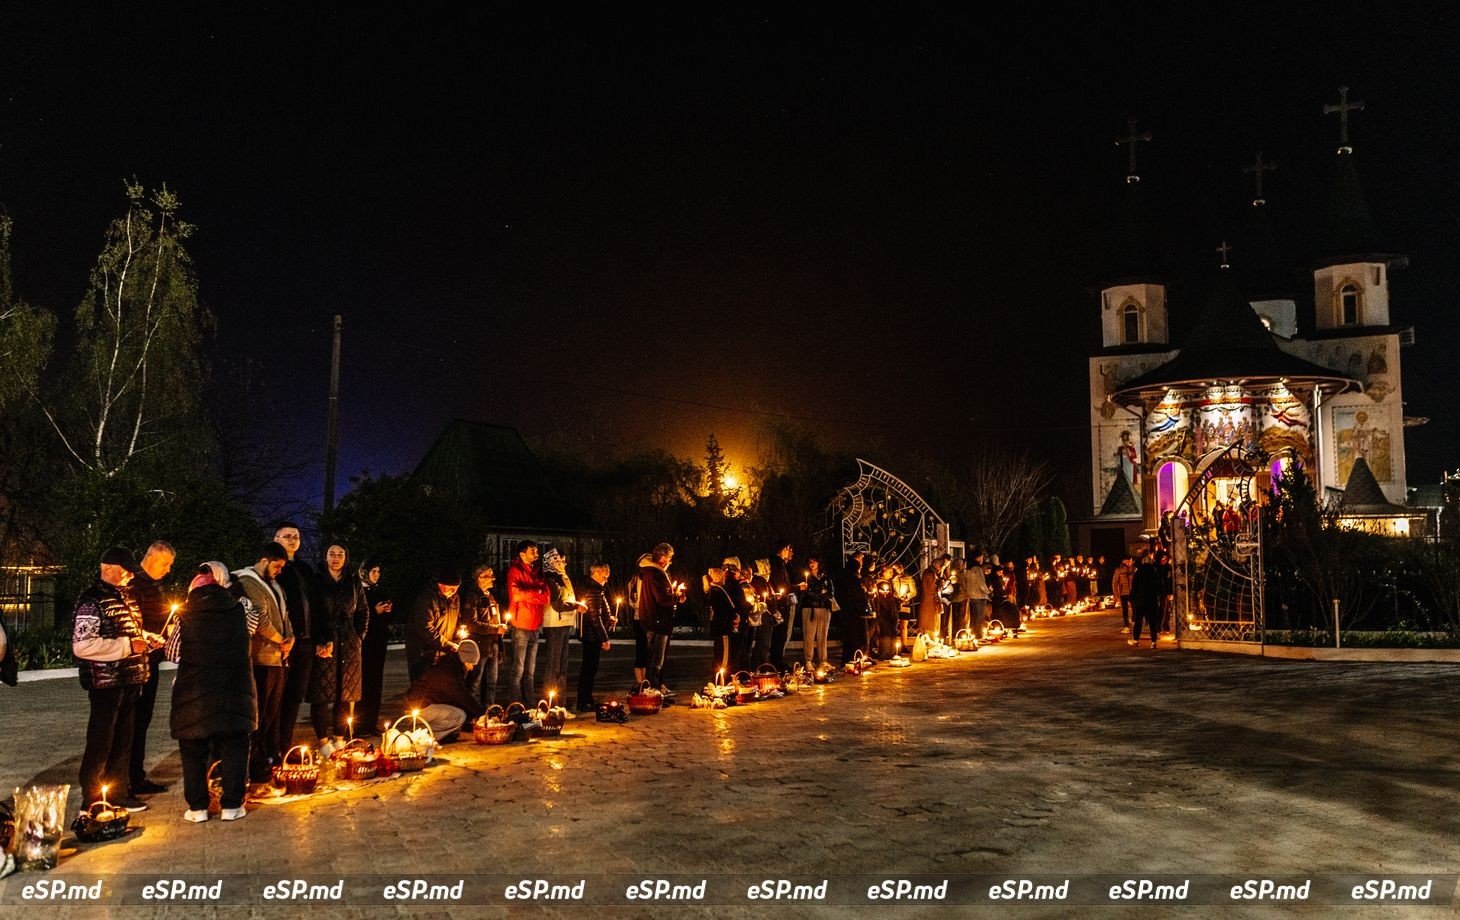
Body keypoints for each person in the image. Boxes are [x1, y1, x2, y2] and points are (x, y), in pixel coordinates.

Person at [170, 562, 256, 823]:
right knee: (235, 748)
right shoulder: (239, 610)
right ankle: (232, 805)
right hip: (234, 691)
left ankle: (198, 808)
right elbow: (249, 636)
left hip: (194, 695)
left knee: (193, 751)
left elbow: (173, 653)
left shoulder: (184, 616)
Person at [72, 547, 155, 817]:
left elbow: (127, 630)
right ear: (108, 568)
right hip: (106, 682)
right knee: (101, 743)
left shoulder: (125, 596)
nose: (131, 575)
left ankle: (118, 795)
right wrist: (129, 646)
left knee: (123, 742)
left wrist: (147, 638)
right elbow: (83, 646)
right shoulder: (91, 600)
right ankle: (92, 800)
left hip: (129, 678)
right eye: (126, 570)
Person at [234, 543, 291, 784]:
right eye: (277, 566)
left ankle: (268, 755)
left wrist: (291, 637)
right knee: (260, 714)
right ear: (265, 560)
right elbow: (260, 619)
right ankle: (255, 763)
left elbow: (284, 614)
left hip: (279, 657)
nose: (279, 571)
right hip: (262, 658)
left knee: (271, 713)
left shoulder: (273, 584)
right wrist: (281, 640)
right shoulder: (249, 582)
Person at [127, 540, 176, 796]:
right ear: (150, 556)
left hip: (151, 660)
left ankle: (136, 775)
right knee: (133, 722)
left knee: (143, 721)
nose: (168, 570)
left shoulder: (154, 585)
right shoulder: (134, 585)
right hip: (136, 663)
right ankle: (128, 778)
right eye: (165, 563)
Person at [308, 544, 369, 739]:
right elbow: (313, 613)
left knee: (345, 693)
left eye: (340, 554)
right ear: (325, 557)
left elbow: (362, 611)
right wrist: (319, 639)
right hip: (325, 640)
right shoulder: (316, 581)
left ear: (346, 557)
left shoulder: (353, 581)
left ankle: (340, 738)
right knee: (322, 694)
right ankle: (323, 740)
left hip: (349, 643)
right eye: (332, 554)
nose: (336, 558)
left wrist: (359, 636)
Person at [271, 522, 319, 756]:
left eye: (296, 536)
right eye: (287, 536)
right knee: (278, 696)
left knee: (295, 697)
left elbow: (316, 604)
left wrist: (322, 637)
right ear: (276, 539)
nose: (292, 540)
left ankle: (285, 745)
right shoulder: (275, 570)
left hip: (307, 642)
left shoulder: (305, 569)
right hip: (286, 641)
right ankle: (272, 746)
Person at [403, 653, 484, 742]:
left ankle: (428, 732)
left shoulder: (449, 666)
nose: (472, 668)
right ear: (465, 660)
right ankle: (425, 736)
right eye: (472, 664)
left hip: (419, 705)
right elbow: (464, 697)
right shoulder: (448, 673)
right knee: (459, 716)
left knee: (456, 713)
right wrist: (483, 714)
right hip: (419, 708)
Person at [540, 546, 585, 701]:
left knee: (562, 667)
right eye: (560, 561)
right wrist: (575, 606)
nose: (563, 565)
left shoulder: (561, 577)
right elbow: (558, 604)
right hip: (554, 624)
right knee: (554, 667)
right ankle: (550, 704)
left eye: (564, 562)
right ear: (552, 562)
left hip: (564, 623)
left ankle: (560, 703)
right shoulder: (550, 580)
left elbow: (569, 595)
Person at [507, 540, 549, 702]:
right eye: (533, 551)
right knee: (518, 669)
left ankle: (530, 703)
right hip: (521, 624)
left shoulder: (538, 571)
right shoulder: (514, 571)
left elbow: (546, 596)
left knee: (530, 671)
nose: (536, 554)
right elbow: (516, 594)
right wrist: (535, 591)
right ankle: (516, 704)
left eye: (537, 551)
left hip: (535, 625)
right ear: (522, 554)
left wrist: (528, 591)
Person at [356, 559, 394, 733]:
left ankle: (371, 722)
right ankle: (357, 724)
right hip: (365, 644)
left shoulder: (378, 591)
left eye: (378, 572)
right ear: (364, 572)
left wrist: (387, 610)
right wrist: (374, 611)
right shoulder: (358, 591)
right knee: (363, 683)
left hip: (379, 643)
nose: (376, 575)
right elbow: (357, 615)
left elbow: (387, 619)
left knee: (375, 683)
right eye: (373, 572)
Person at [461, 565, 506, 708]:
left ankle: (488, 712)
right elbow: (472, 623)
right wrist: (495, 629)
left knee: (491, 683)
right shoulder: (473, 596)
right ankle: (470, 713)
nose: (493, 578)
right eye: (489, 575)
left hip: (492, 646)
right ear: (480, 578)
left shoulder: (489, 596)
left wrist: (499, 644)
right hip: (479, 646)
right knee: (475, 682)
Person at [406, 569, 461, 683]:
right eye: (450, 587)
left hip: (443, 653)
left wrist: (457, 637)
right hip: (423, 654)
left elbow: (456, 621)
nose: (453, 591)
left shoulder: (454, 598)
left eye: (456, 588)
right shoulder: (427, 598)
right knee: (422, 689)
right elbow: (424, 627)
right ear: (440, 584)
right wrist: (446, 643)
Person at [636, 543, 678, 689]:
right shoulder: (654, 573)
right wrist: (676, 597)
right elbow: (660, 598)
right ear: (662, 557)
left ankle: (657, 687)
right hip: (657, 621)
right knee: (656, 660)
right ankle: (653, 690)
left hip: (657, 621)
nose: (670, 561)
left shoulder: (654, 572)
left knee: (657, 659)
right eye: (669, 557)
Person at [576, 563, 614, 711]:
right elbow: (594, 617)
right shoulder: (593, 590)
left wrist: (609, 618)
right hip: (592, 636)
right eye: (605, 575)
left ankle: (586, 699)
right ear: (596, 573)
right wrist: (604, 638)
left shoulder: (596, 589)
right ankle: (584, 701)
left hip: (592, 635)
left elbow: (599, 615)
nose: (606, 579)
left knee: (590, 668)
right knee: (589, 668)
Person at [765, 541, 800, 672]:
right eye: (790, 549)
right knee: (779, 635)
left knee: (781, 635)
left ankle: (778, 661)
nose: (792, 552)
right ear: (784, 549)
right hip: (780, 604)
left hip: (782, 603)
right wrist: (798, 587)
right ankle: (776, 663)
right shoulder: (777, 564)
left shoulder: (783, 565)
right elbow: (783, 585)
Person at [799, 555, 834, 670]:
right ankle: (808, 660)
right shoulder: (806, 577)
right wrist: (820, 594)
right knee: (809, 635)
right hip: (810, 609)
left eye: (814, 561)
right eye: (810, 562)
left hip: (824, 608)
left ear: (819, 563)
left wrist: (819, 595)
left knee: (822, 636)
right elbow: (805, 592)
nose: (812, 564)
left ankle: (823, 660)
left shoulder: (825, 576)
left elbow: (830, 592)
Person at [834, 552, 870, 665]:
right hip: (854, 611)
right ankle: (854, 659)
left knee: (849, 638)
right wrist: (865, 599)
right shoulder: (853, 579)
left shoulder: (843, 577)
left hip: (845, 610)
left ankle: (848, 659)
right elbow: (858, 595)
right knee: (855, 637)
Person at [624, 553, 653, 687]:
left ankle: (650, 680)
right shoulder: (635, 581)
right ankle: (641, 682)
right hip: (639, 617)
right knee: (641, 650)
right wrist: (642, 605)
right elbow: (631, 600)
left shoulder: (653, 579)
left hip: (651, 618)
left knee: (651, 651)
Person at [705, 567, 738, 679]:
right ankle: (721, 678)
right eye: (723, 576)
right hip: (722, 627)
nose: (725, 578)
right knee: (723, 655)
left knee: (720, 653)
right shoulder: (717, 591)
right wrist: (734, 616)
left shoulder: (715, 590)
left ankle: (719, 677)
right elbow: (724, 609)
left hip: (720, 626)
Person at [1129, 554, 1165, 648]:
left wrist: (1131, 598)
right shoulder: (1155, 572)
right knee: (1153, 622)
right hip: (1152, 600)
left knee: (1138, 621)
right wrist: (1158, 596)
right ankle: (1153, 642)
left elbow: (1134, 587)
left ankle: (1136, 640)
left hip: (1140, 600)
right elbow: (1160, 587)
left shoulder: (1138, 573)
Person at [1111, 556, 1135, 634]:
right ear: (1123, 561)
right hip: (1123, 592)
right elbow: (1115, 582)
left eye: (1130, 561)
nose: (1129, 563)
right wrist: (1116, 595)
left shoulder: (1134, 569)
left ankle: (1134, 621)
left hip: (1133, 592)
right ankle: (1126, 626)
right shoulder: (1118, 570)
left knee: (1135, 608)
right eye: (1127, 561)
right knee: (1125, 610)